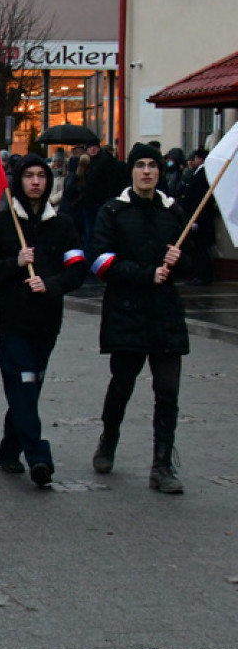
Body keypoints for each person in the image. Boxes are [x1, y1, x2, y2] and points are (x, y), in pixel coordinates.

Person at [0, 154, 88, 488]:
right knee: (23, 384)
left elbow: (77, 268)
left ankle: (9, 447)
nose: (35, 182)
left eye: (41, 176)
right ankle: (38, 456)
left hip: (47, 321)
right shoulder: (0, 225)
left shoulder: (62, 225)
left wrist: (51, 284)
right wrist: (14, 262)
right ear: (17, 182)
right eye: (28, 176)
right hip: (12, 322)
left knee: (28, 391)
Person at [89, 143, 190, 494]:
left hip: (166, 315)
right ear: (131, 171)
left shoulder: (174, 212)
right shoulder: (113, 211)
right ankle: (109, 438)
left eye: (153, 166)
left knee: (168, 391)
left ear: (160, 172)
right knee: (122, 384)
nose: (147, 171)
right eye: (140, 166)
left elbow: (193, 265)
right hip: (127, 312)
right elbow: (100, 261)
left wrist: (181, 259)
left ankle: (162, 464)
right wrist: (144, 274)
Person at [177, 148, 215, 285]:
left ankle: (203, 276)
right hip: (194, 217)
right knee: (196, 249)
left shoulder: (204, 174)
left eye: (194, 158)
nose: (190, 161)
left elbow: (200, 198)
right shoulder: (196, 173)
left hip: (201, 220)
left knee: (201, 249)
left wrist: (196, 220)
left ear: (200, 159)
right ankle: (197, 274)